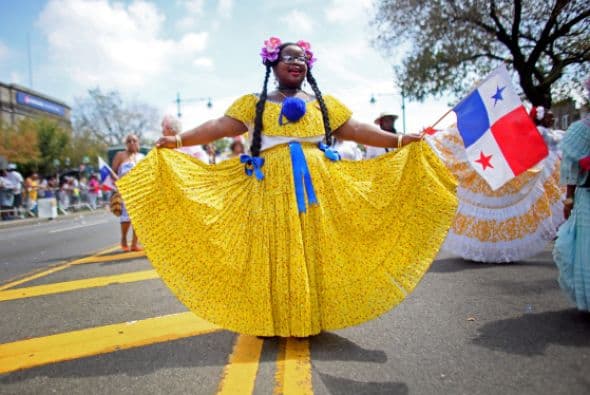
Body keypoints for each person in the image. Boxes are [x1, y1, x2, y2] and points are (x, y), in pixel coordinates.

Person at [117, 37, 457, 337]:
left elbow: (356, 129)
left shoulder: (323, 104)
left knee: (313, 250)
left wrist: (398, 139)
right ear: (272, 64)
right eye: (288, 58)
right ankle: (271, 320)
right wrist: (178, 139)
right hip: (269, 189)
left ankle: (311, 315)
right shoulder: (254, 103)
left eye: (301, 59)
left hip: (318, 188)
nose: (296, 63)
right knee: (273, 254)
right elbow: (218, 126)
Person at [425, 109, 565, 263]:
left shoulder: (531, 130)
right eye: (548, 117)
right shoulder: (485, 127)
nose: (550, 120)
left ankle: (497, 250)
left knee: (501, 206)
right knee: (486, 205)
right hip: (489, 167)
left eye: (551, 117)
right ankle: (484, 249)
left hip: (507, 167)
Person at [553, 79, 590, 311]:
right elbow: (571, 169)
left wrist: (568, 200)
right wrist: (568, 199)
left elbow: (570, 170)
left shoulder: (580, 130)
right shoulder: (580, 130)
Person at [112, 133, 145, 252]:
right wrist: (117, 181)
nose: (132, 143)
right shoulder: (120, 155)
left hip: (140, 190)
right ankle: (124, 239)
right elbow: (113, 171)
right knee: (126, 217)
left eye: (134, 141)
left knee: (139, 218)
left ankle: (135, 244)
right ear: (126, 143)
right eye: (129, 141)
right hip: (125, 189)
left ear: (138, 143)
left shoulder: (142, 157)